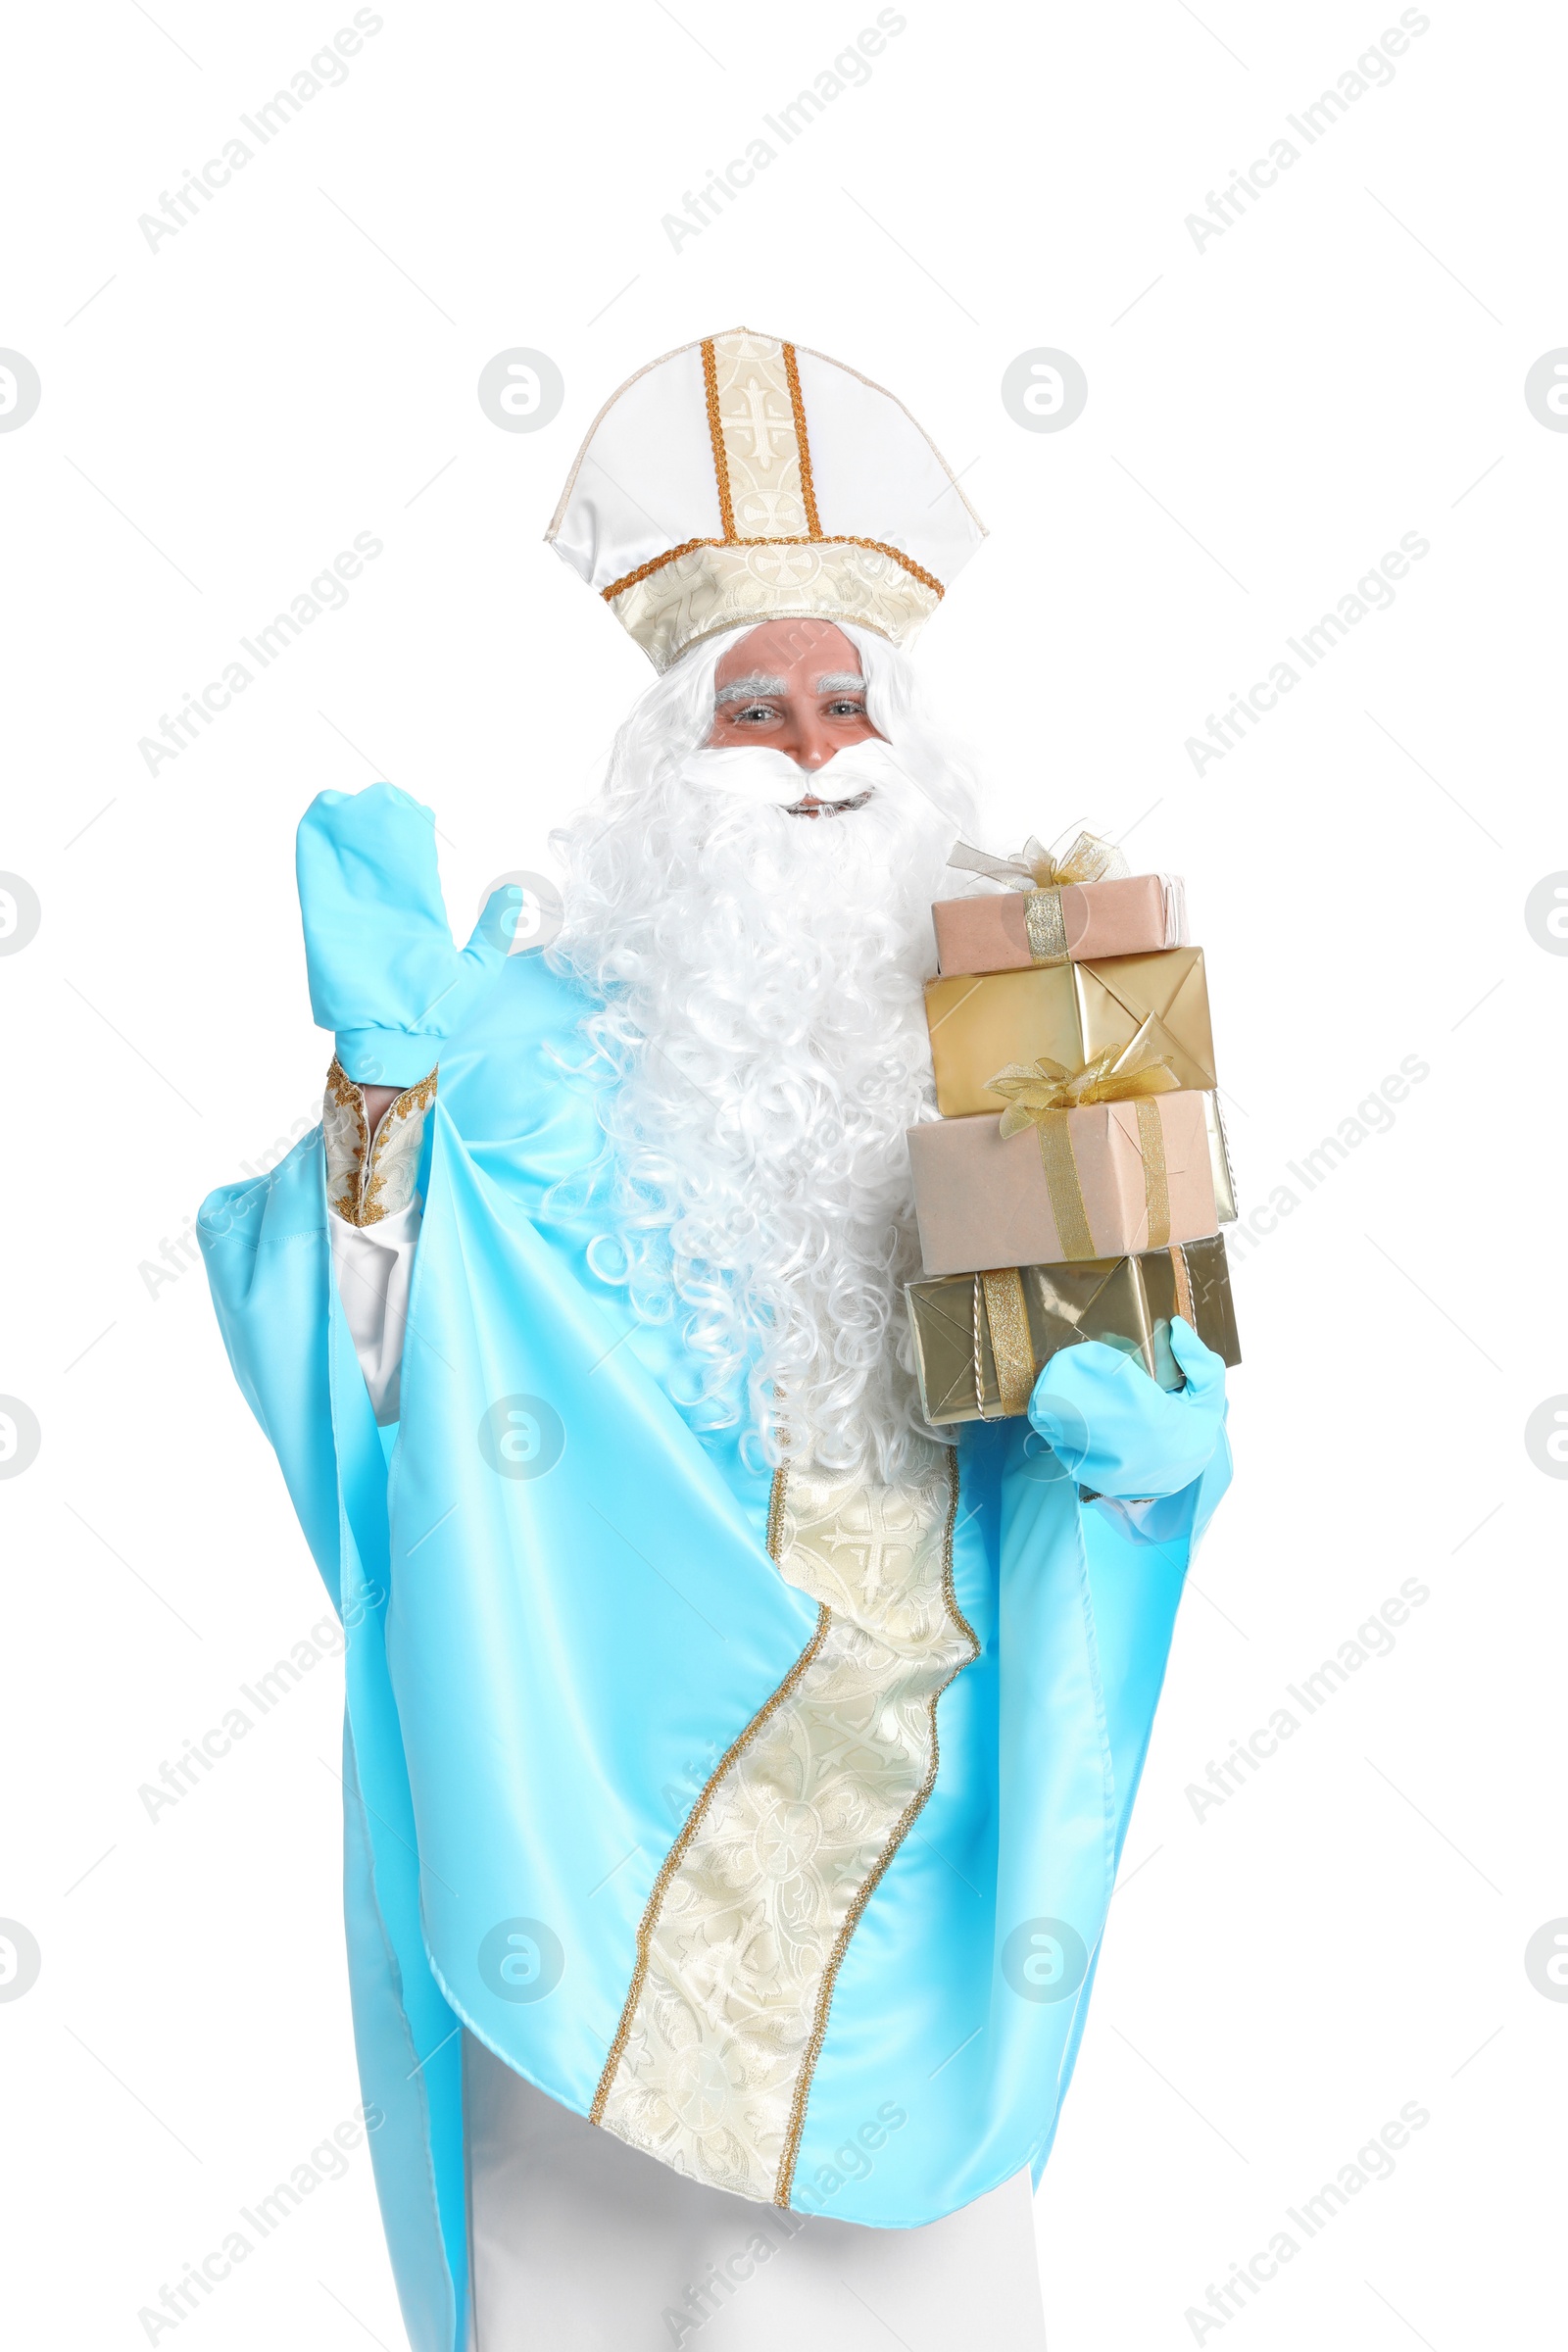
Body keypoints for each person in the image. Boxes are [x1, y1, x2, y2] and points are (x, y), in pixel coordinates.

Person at [200, 329, 1232, 2352]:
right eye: (753, 711)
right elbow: (360, 1367)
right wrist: (377, 1094)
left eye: (847, 701)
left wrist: (1149, 1470)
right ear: (666, 769)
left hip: (925, 1834)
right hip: (592, 1818)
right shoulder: (514, 1041)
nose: (817, 747)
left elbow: (1104, 1415)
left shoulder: (1022, 1055)